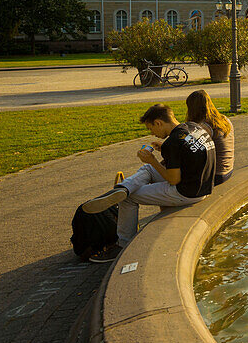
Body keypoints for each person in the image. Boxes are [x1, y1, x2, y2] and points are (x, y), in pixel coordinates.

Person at [82, 104, 215, 262]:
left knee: (129, 197)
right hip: (204, 185)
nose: (152, 133)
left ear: (158, 122)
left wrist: (152, 160)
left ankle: (122, 245)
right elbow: (188, 153)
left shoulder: (172, 143)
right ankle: (124, 187)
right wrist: (161, 153)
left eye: (151, 129)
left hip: (187, 192)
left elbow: (173, 179)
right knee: (147, 170)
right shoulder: (193, 127)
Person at [186, 89, 234, 185]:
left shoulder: (204, 127)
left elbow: (187, 146)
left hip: (216, 175)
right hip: (228, 170)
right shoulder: (224, 119)